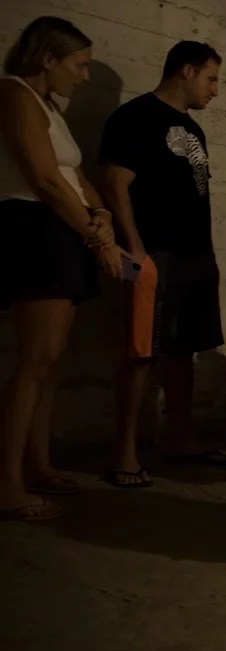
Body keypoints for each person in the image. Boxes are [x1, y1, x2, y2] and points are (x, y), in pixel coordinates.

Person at [0, 16, 123, 520]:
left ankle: (39, 464)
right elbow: (46, 181)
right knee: (36, 360)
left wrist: (104, 218)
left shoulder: (50, 105)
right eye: (80, 64)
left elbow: (76, 177)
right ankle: (6, 483)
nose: (84, 75)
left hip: (62, 231)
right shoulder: (12, 93)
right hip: (35, 228)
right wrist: (98, 239)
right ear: (47, 58)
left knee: (50, 361)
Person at [100, 40, 226, 489]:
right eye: (211, 79)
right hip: (154, 253)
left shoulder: (193, 130)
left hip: (196, 254)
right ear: (188, 71)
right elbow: (115, 185)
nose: (215, 90)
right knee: (141, 351)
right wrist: (135, 250)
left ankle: (179, 437)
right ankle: (125, 453)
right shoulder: (135, 118)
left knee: (183, 348)